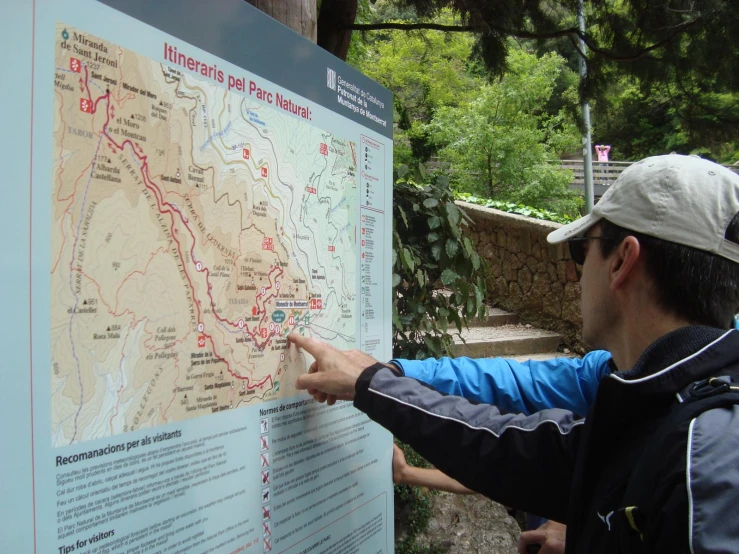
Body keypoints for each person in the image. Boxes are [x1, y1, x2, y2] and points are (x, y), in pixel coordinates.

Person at [288, 154, 739, 553]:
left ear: (622, 261)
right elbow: (510, 437)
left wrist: (375, 382)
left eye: (582, 252)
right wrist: (385, 374)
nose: (573, 273)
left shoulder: (707, 454)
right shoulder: (636, 393)